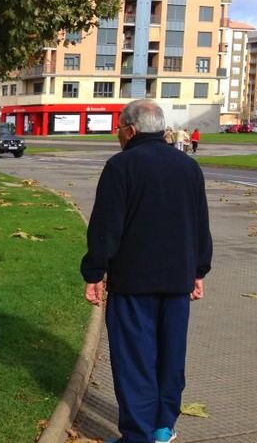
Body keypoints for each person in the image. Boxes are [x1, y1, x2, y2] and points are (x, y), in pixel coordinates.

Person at [81, 99, 212, 443]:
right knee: (171, 357)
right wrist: (199, 270)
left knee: (135, 360)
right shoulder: (188, 167)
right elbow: (200, 223)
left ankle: (138, 435)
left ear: (131, 129)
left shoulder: (121, 167)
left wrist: (94, 272)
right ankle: (162, 427)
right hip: (177, 281)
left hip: (134, 283)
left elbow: (106, 228)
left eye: (118, 130)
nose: (117, 137)